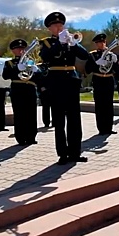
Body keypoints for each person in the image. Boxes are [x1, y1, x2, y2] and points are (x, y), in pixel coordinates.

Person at [39, 12, 90, 165]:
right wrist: (59, 44)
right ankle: (63, 154)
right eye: (55, 25)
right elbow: (45, 57)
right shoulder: (47, 43)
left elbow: (85, 55)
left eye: (61, 25)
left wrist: (74, 44)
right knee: (59, 120)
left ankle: (75, 152)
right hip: (56, 81)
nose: (59, 27)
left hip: (72, 81)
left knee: (75, 119)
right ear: (50, 28)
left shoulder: (70, 41)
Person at [2, 39, 39, 145]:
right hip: (17, 89)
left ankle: (31, 136)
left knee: (31, 114)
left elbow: (39, 77)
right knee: (19, 114)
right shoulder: (9, 63)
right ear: (13, 51)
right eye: (18, 49)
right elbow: (5, 75)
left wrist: (37, 71)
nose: (21, 50)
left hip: (30, 89)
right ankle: (21, 137)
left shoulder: (31, 62)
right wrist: (17, 68)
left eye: (22, 48)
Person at [85, 33, 117, 135]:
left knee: (108, 104)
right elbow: (87, 69)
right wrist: (96, 64)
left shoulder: (110, 54)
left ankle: (109, 127)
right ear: (96, 44)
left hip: (108, 80)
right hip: (98, 80)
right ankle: (101, 129)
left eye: (103, 42)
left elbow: (116, 70)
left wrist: (115, 62)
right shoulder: (92, 55)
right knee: (99, 105)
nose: (101, 44)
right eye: (99, 42)